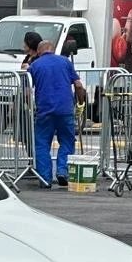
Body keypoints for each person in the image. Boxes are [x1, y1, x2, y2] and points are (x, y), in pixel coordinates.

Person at [27, 39, 87, 187]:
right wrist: (80, 102)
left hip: (44, 111)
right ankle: (62, 171)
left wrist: (28, 107)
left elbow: (27, 91)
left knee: (41, 144)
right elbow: (78, 85)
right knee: (67, 141)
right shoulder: (65, 62)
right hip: (65, 110)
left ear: (39, 52)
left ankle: (44, 179)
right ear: (53, 49)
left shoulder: (34, 66)